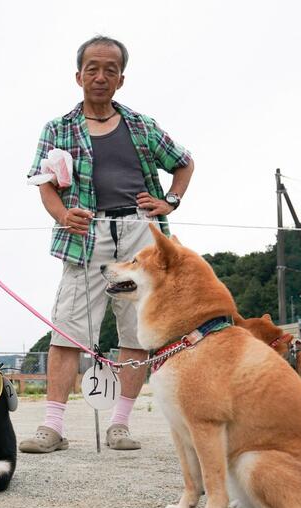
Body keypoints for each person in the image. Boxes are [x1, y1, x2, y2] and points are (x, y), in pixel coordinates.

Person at [19, 36, 194, 453]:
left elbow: (184, 162)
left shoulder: (141, 126)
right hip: (84, 236)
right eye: (92, 68)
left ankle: (120, 424)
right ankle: (52, 426)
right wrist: (62, 215)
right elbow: (43, 185)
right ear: (78, 75)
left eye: (110, 70)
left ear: (121, 78)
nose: (100, 76)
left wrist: (169, 200)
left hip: (139, 233)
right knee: (67, 329)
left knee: (135, 331)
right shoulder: (57, 128)